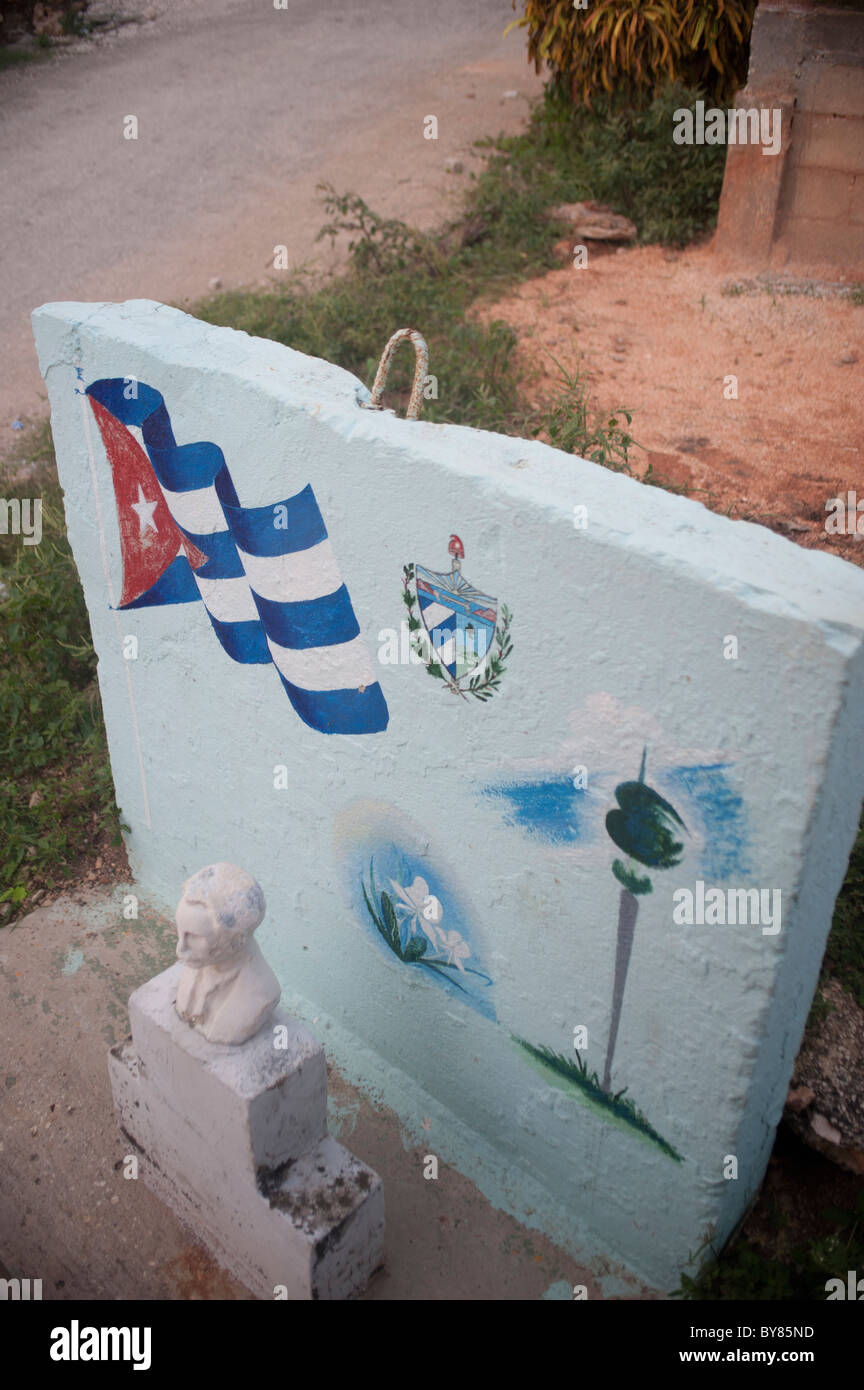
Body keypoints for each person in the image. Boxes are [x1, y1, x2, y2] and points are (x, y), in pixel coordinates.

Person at [174, 863, 280, 1045]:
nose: (180, 948)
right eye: (180, 931)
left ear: (236, 942)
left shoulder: (261, 994)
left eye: (194, 937)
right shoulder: (198, 962)